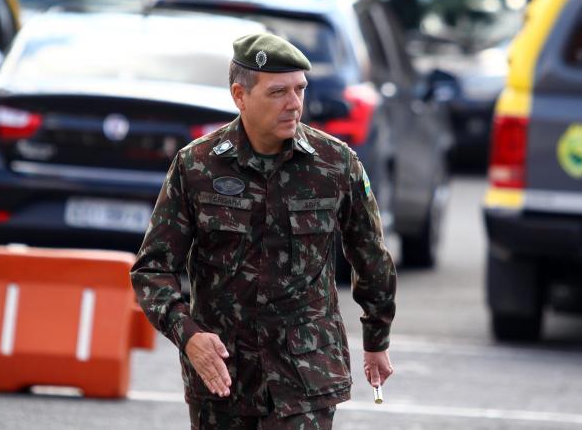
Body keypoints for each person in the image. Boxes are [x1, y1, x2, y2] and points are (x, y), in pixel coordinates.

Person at [131, 32, 397, 429]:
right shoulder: (197, 166)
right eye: (278, 92)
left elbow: (371, 254)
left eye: (299, 89)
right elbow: (152, 269)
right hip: (225, 378)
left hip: (305, 376)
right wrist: (188, 335)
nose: (294, 103)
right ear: (240, 96)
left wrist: (377, 337)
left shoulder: (336, 164)